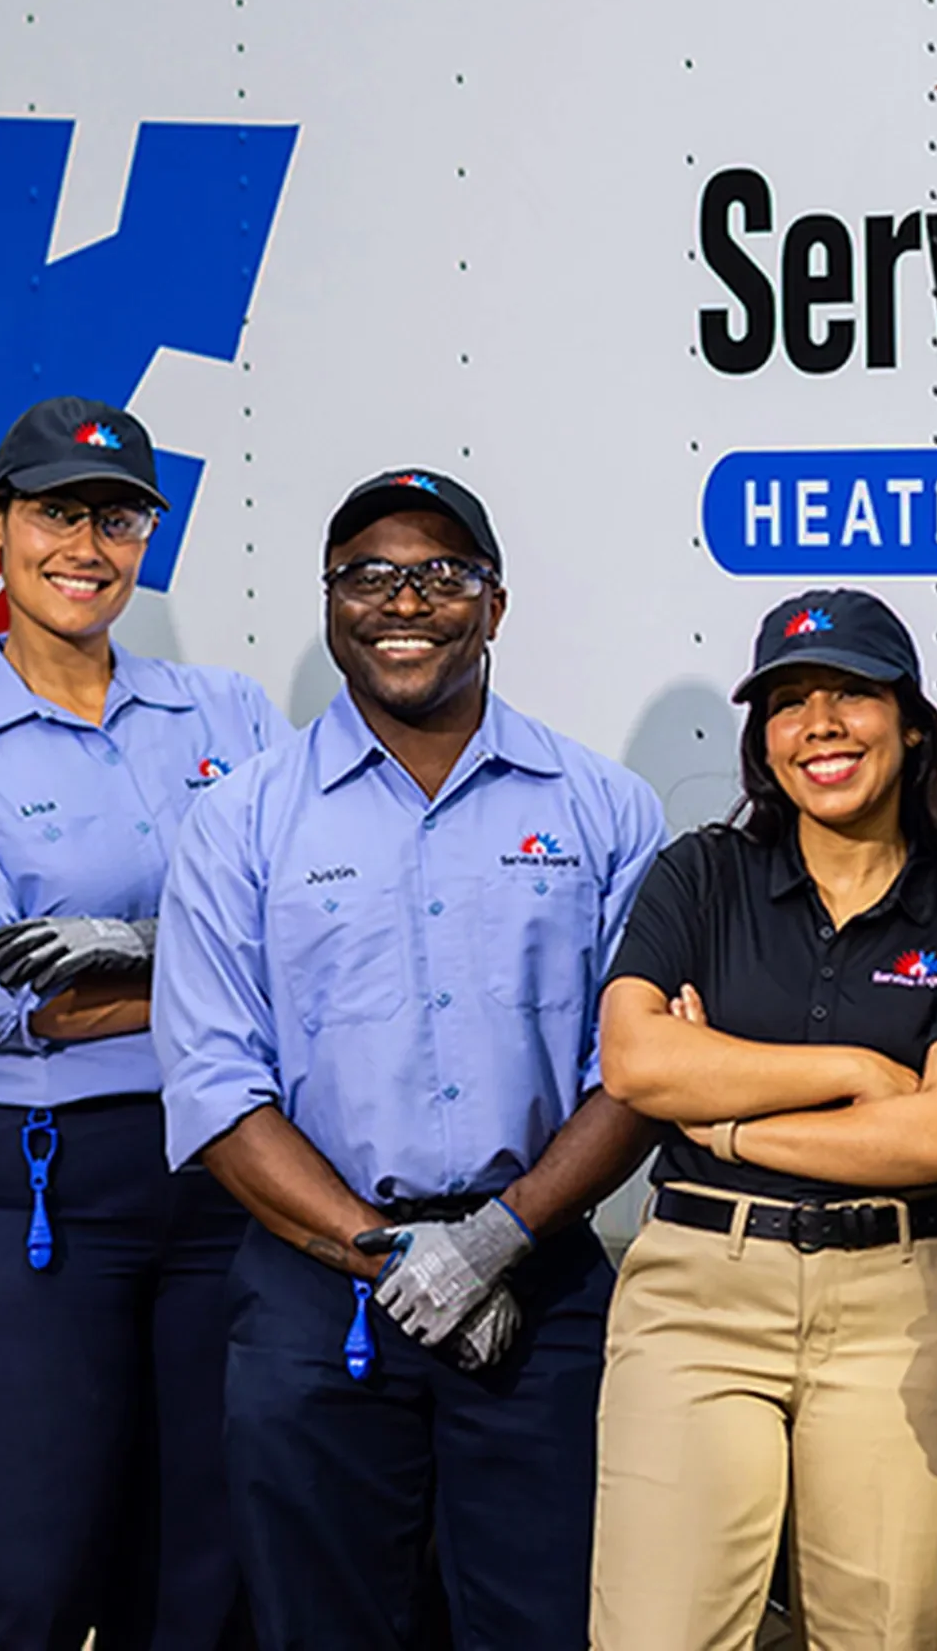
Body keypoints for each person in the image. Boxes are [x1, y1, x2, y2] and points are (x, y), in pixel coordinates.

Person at [152, 466, 667, 1651]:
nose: (403, 600)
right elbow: (216, 1081)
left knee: (545, 1623)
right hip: (311, 1287)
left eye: (441, 573)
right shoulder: (242, 819)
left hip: (538, 1279)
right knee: (320, 1625)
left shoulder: (602, 807)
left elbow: (636, 1069)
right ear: (329, 602)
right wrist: (380, 1251)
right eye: (368, 575)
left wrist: (495, 1239)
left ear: (494, 604)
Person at [0, 395, 286, 1649]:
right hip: (32, 1186)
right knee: (24, 1580)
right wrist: (217, 972)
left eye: (117, 518)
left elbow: (313, 933)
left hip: (226, 1175)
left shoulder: (229, 714)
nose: (86, 546)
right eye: (57, 512)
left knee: (200, 1584)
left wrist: (130, 948)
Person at [593, 588, 937, 1651]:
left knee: (882, 1635)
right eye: (788, 702)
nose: (818, 724)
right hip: (697, 1292)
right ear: (762, 741)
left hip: (898, 1301)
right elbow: (637, 1059)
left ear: (911, 725)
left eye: (849, 693)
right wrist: (857, 1070)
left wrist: (725, 1121)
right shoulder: (702, 873)